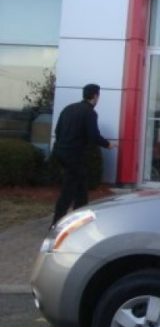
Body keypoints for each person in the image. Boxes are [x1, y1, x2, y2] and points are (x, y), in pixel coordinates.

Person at [51, 83, 115, 225]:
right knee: (70, 190)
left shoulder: (68, 109)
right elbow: (93, 135)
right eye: (98, 96)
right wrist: (108, 144)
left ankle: (77, 221)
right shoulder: (89, 112)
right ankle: (57, 223)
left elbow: (58, 131)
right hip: (74, 156)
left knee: (80, 188)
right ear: (95, 96)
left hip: (61, 153)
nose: (98, 99)